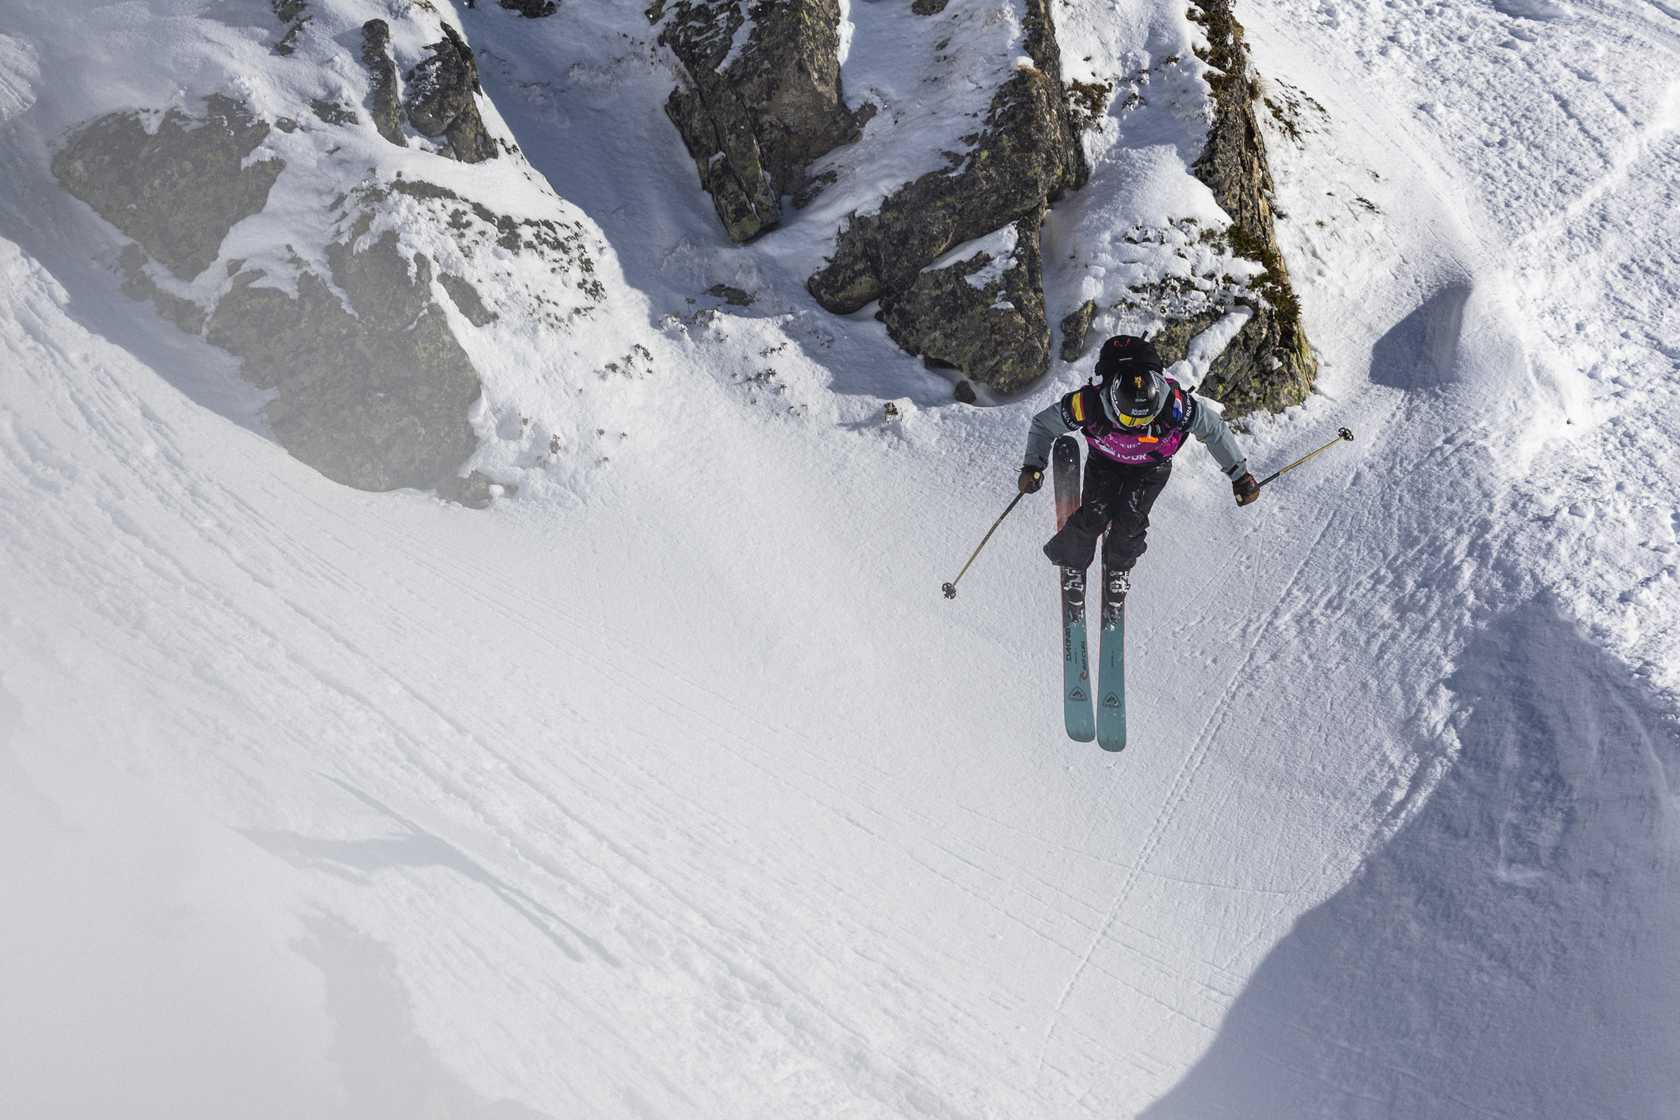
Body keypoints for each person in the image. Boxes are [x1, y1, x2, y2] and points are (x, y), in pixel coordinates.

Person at [1018, 335, 1260, 593]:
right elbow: (1044, 425)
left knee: (1130, 522)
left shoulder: (1175, 404)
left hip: (1151, 467)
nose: (1135, 427)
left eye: (1143, 421)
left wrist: (1240, 475)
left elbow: (1214, 430)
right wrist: (1033, 466)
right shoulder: (1088, 403)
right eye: (1128, 420)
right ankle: (1072, 564)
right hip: (1106, 461)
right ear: (1112, 399)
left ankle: (1118, 569)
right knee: (1093, 517)